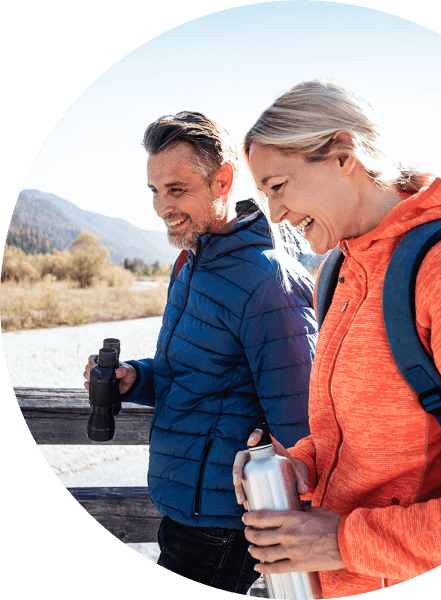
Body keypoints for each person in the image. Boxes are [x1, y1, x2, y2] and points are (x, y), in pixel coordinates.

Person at [232, 81, 441, 597]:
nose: (274, 215)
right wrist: (298, 465)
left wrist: (346, 543)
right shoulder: (340, 271)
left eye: (278, 186)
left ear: (343, 155)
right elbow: (361, 443)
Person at [84, 111, 318, 594]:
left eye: (176, 189)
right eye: (154, 190)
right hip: (182, 504)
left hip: (224, 521)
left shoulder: (267, 280)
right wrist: (136, 378)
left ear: (223, 180)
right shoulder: (191, 262)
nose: (160, 207)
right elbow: (190, 374)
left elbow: (303, 418)